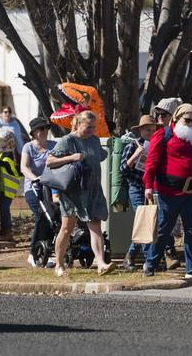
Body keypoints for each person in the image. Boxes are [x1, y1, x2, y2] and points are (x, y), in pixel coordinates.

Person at [143, 103, 192, 279]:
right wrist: (147, 185)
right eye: (188, 120)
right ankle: (151, 263)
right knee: (164, 229)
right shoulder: (163, 135)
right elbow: (151, 162)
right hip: (169, 191)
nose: (191, 123)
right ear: (177, 118)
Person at [46, 111, 114, 277]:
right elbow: (50, 161)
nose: (91, 130)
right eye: (88, 127)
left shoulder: (95, 140)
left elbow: (100, 155)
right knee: (66, 228)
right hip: (73, 193)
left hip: (93, 191)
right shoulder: (67, 140)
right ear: (78, 124)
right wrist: (72, 157)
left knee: (96, 227)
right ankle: (59, 265)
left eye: (93, 127)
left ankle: (101, 263)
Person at [119, 114, 159, 269]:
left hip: (151, 187)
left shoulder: (156, 146)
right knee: (144, 220)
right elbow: (122, 169)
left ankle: (130, 256)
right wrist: (137, 155)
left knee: (149, 222)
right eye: (147, 130)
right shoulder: (133, 145)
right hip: (136, 187)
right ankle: (150, 259)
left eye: (152, 130)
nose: (150, 132)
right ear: (141, 131)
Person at [20, 117, 53, 268]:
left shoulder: (55, 145)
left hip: (52, 188)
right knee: (41, 215)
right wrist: (35, 179)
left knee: (53, 218)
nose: (44, 131)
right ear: (33, 132)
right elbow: (24, 167)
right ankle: (33, 253)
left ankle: (46, 252)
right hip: (34, 188)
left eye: (46, 128)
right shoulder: (28, 147)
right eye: (40, 129)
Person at [0, 126, 21, 241]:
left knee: (4, 210)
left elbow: (6, 165)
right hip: (3, 189)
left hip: (8, 191)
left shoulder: (8, 157)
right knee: (2, 210)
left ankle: (8, 232)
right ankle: (3, 229)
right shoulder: (0, 155)